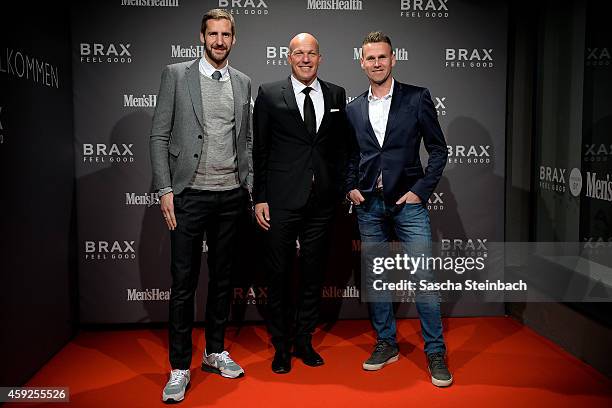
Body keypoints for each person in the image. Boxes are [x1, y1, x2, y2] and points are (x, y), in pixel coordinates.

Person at [149, 9, 252, 403]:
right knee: (183, 283)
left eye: (226, 34)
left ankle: (213, 351)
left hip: (230, 195)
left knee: (223, 279)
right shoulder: (176, 75)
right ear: (202, 36)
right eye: (213, 34)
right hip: (188, 194)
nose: (220, 41)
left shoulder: (242, 82)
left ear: (234, 39)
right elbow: (158, 135)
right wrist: (164, 189)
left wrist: (250, 187)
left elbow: (246, 142)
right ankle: (179, 367)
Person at [345, 31, 453, 387]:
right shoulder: (353, 108)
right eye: (370, 58)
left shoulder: (417, 97)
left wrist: (420, 191)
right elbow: (350, 156)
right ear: (362, 62)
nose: (376, 63)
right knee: (376, 281)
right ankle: (386, 343)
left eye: (382, 57)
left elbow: (438, 150)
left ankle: (435, 352)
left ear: (393, 59)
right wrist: (350, 188)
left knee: (423, 279)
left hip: (408, 204)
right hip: (369, 206)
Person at [253, 33, 349, 374]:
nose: (305, 59)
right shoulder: (268, 93)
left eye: (311, 53)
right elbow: (260, 150)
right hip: (280, 200)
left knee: (313, 274)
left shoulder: (336, 93)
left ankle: (304, 340)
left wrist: (338, 188)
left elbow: (340, 150)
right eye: (298, 53)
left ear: (320, 58)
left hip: (321, 202)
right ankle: (281, 346)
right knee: (278, 275)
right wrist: (259, 197)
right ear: (288, 57)